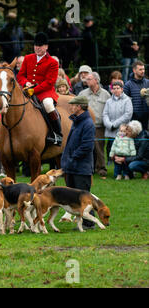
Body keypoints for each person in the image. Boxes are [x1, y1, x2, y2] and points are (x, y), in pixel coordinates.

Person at [17, 32, 62, 145]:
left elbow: (50, 82)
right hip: (27, 91)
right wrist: (26, 83)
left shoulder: (52, 62)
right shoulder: (27, 58)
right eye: (36, 45)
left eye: (40, 45)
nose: (37, 47)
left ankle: (57, 134)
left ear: (46, 47)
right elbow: (20, 76)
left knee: (48, 104)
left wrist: (34, 90)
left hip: (45, 92)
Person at [61, 96, 96, 230]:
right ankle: (83, 222)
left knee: (84, 198)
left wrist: (72, 158)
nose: (70, 107)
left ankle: (89, 223)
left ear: (79, 107)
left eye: (73, 105)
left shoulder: (87, 123)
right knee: (76, 197)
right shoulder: (77, 121)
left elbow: (87, 146)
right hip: (73, 167)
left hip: (81, 168)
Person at [79, 72, 111, 178]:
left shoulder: (106, 94)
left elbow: (109, 109)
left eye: (89, 79)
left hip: (99, 126)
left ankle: (101, 168)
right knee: (86, 148)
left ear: (96, 80)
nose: (86, 81)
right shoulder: (82, 94)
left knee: (99, 148)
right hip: (85, 126)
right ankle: (87, 168)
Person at [103, 81, 133, 160]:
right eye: (114, 88)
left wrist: (115, 124)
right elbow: (105, 114)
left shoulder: (127, 100)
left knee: (123, 150)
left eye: (118, 88)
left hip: (123, 130)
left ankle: (124, 168)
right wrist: (109, 124)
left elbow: (127, 115)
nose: (116, 90)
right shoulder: (108, 101)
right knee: (111, 147)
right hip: (111, 130)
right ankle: (112, 164)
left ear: (122, 89)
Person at [124, 61, 149, 130]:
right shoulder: (128, 85)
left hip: (146, 117)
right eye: (140, 69)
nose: (143, 71)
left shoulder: (148, 83)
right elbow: (125, 102)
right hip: (133, 117)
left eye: (143, 69)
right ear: (134, 70)